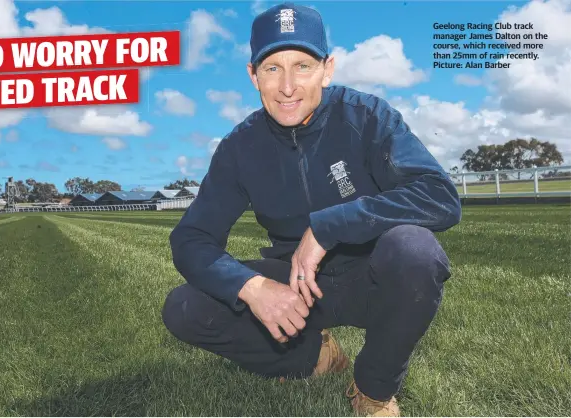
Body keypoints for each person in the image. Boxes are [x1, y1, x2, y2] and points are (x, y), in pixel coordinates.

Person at [161, 2, 461, 416]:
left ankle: (373, 390)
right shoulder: (239, 147)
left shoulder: (367, 117)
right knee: (184, 308)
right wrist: (254, 288)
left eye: (302, 65)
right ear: (253, 76)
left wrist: (328, 227)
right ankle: (312, 357)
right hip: (296, 289)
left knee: (415, 251)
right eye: (271, 68)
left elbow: (439, 196)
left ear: (327, 69)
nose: (287, 86)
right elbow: (191, 239)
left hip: (371, 276)